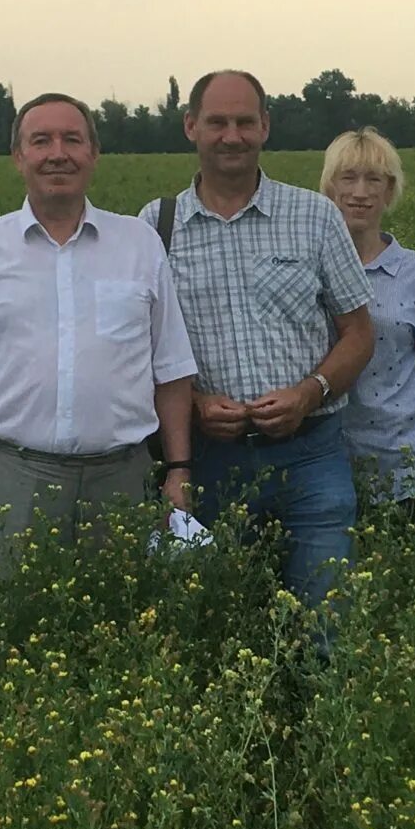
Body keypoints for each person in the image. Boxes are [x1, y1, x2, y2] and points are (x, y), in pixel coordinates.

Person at [0, 92, 198, 559]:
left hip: (123, 475)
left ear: (94, 154)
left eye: (72, 139)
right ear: (18, 157)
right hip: (13, 474)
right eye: (41, 141)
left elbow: (171, 369)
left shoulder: (139, 244)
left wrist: (178, 469)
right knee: (14, 622)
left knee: (122, 619)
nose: (58, 154)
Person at [139, 71, 374, 609]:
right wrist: (195, 405)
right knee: (220, 620)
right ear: (190, 127)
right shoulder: (157, 226)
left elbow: (358, 333)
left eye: (245, 122)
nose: (232, 135)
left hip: (310, 453)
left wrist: (311, 391)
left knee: (325, 617)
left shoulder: (314, 217)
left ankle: (321, 695)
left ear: (265, 126)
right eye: (217, 122)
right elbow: (139, 352)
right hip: (205, 459)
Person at [323, 127, 415, 511]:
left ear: (389, 190)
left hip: (413, 462)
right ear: (329, 188)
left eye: (374, 180)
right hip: (332, 464)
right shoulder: (311, 269)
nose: (360, 192)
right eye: (348, 178)